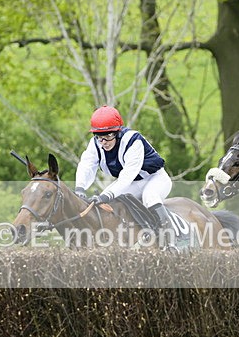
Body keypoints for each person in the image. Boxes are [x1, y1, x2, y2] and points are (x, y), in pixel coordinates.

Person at [74, 105, 187, 248]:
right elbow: (86, 165)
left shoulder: (133, 141)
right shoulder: (96, 144)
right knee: (106, 205)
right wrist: (80, 188)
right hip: (133, 183)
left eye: (109, 136)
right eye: (100, 137)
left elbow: (127, 177)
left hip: (155, 178)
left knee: (150, 197)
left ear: (118, 132)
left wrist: (106, 195)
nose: (104, 142)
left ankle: (172, 243)